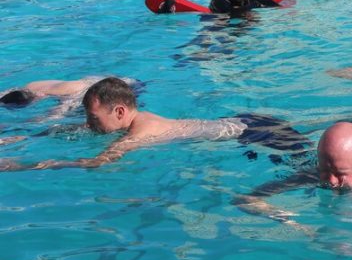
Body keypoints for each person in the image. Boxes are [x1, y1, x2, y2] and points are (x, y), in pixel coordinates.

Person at [0, 78, 309, 171]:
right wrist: (20, 139)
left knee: (312, 170)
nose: (87, 123)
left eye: (93, 117)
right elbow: (76, 132)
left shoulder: (141, 131)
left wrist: (24, 166)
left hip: (256, 134)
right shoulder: (131, 123)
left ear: (120, 112)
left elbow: (96, 163)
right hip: (242, 124)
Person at [1, 76, 137, 119]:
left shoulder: (71, 93)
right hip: (102, 78)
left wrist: (32, 123)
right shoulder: (31, 86)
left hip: (131, 85)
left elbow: (57, 113)